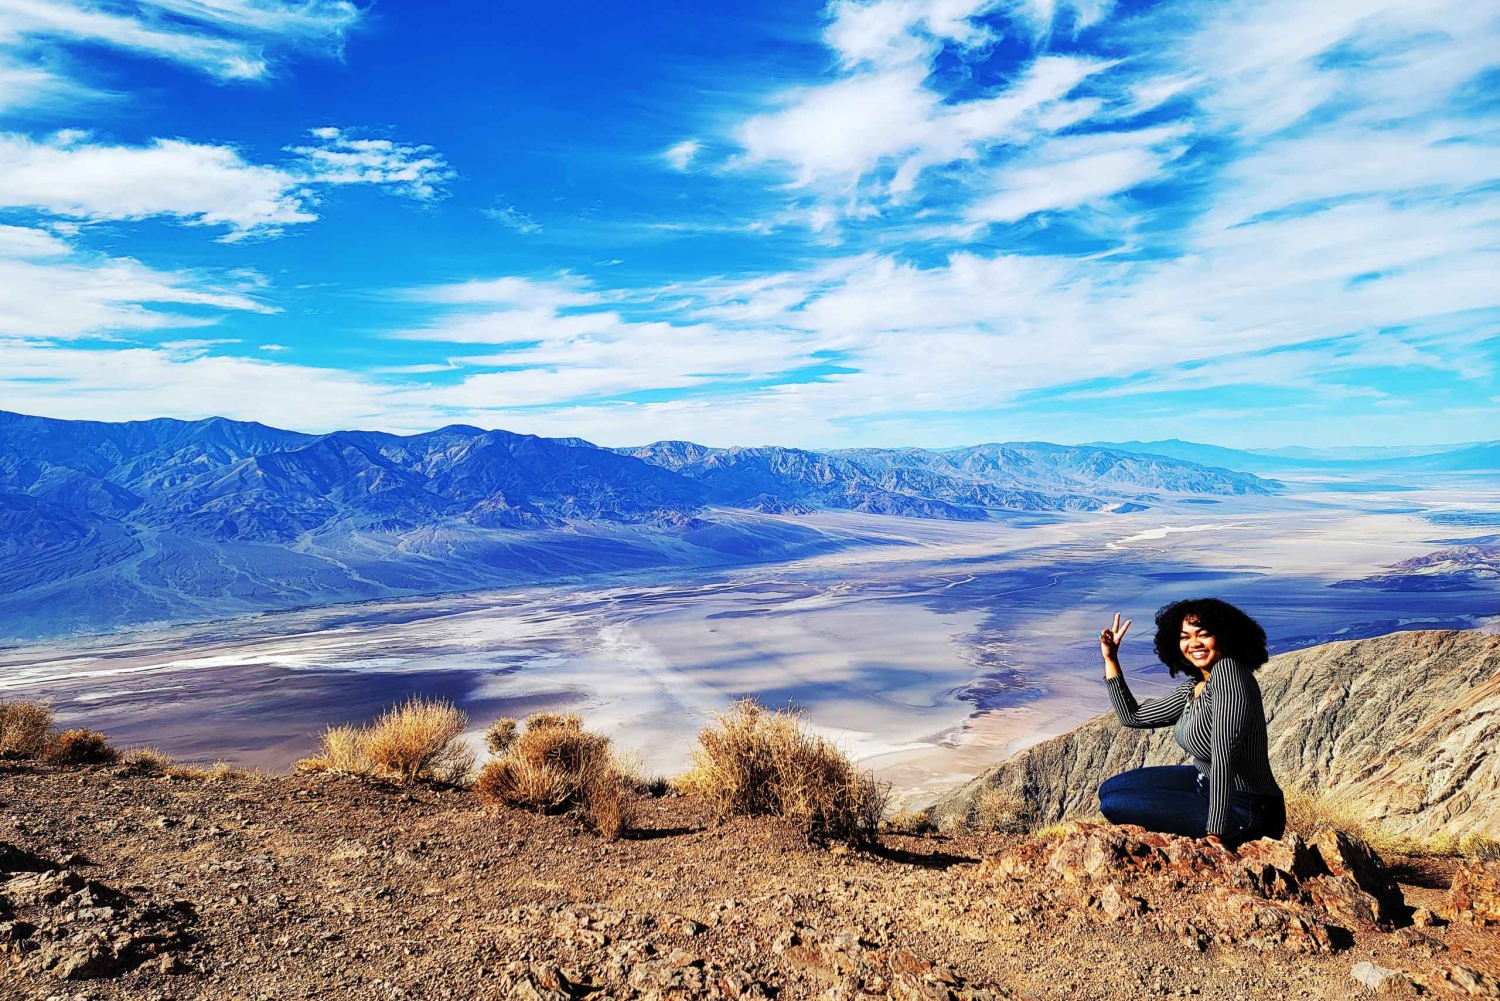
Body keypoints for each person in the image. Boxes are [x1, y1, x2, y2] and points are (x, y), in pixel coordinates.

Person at [1095, 598, 1285, 848]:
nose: (1194, 643)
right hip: (1201, 781)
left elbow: (1223, 758)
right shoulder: (1194, 689)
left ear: (1226, 637)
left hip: (1245, 808)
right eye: (1185, 636)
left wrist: (1216, 831)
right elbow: (1133, 717)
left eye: (1203, 634)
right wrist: (1111, 658)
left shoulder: (1230, 674)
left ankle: (1225, 827)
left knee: (1114, 804)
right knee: (1109, 790)